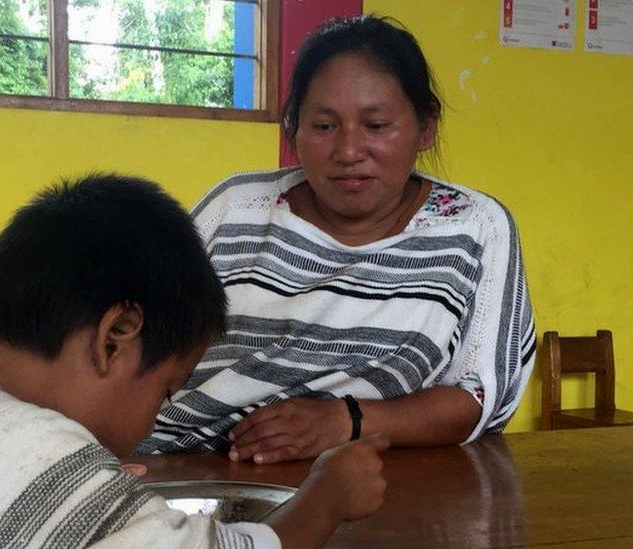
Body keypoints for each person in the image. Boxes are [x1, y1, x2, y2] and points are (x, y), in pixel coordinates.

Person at [0, 175, 389, 549]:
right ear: (115, 337)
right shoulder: (52, 466)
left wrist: (98, 498)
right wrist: (327, 497)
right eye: (165, 391)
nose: (149, 424)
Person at [140, 15, 536, 464]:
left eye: (376, 126)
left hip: (385, 475)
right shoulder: (237, 208)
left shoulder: (475, 228)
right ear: (295, 128)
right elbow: (147, 348)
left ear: (426, 127)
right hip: (195, 462)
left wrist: (344, 422)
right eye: (324, 126)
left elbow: (479, 398)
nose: (348, 153)